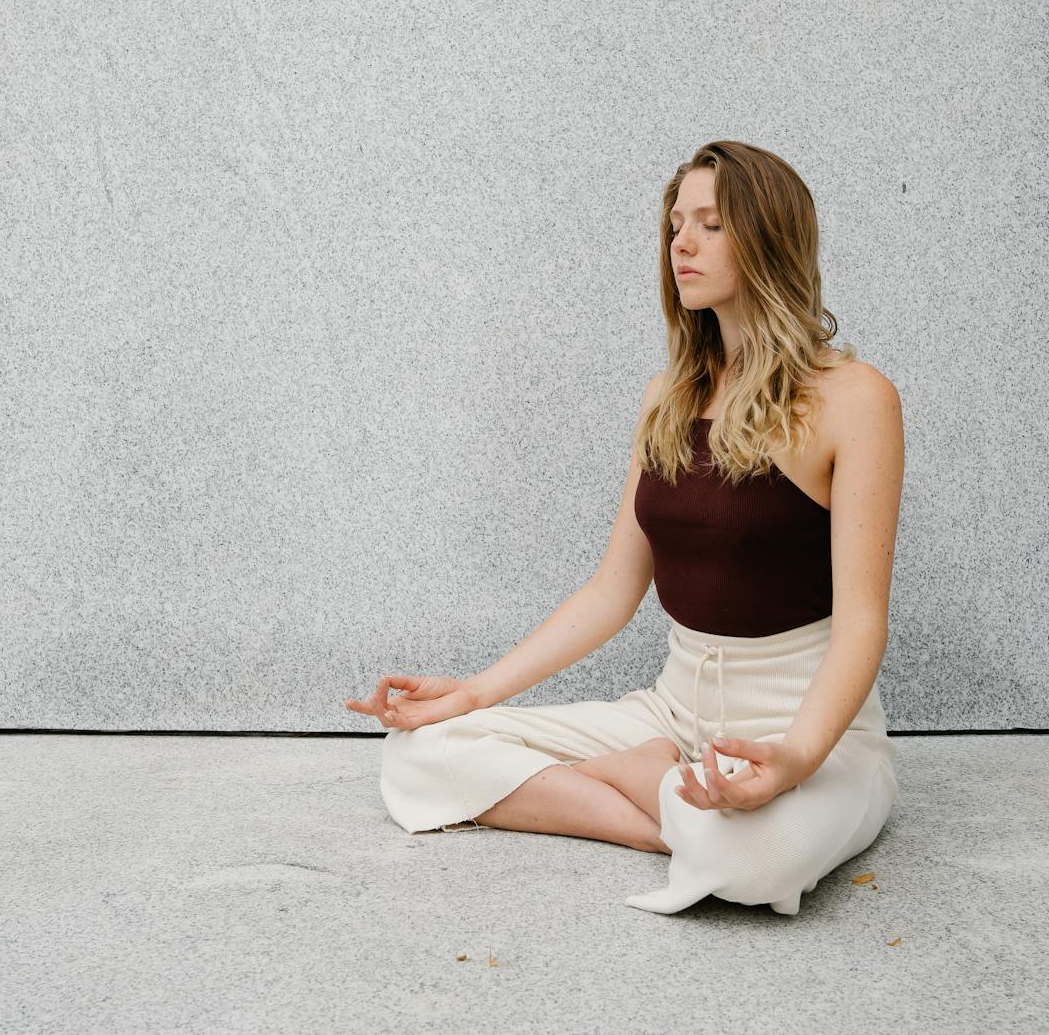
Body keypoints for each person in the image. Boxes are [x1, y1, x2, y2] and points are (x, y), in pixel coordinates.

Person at [343, 140, 903, 914]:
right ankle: (662, 801)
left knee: (761, 863)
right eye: (677, 223)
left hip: (803, 728)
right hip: (671, 714)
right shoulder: (666, 397)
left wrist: (796, 756)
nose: (682, 241)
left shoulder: (856, 398)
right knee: (420, 751)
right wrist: (471, 693)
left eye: (710, 222)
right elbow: (611, 591)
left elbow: (863, 623)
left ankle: (666, 793)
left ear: (769, 237)